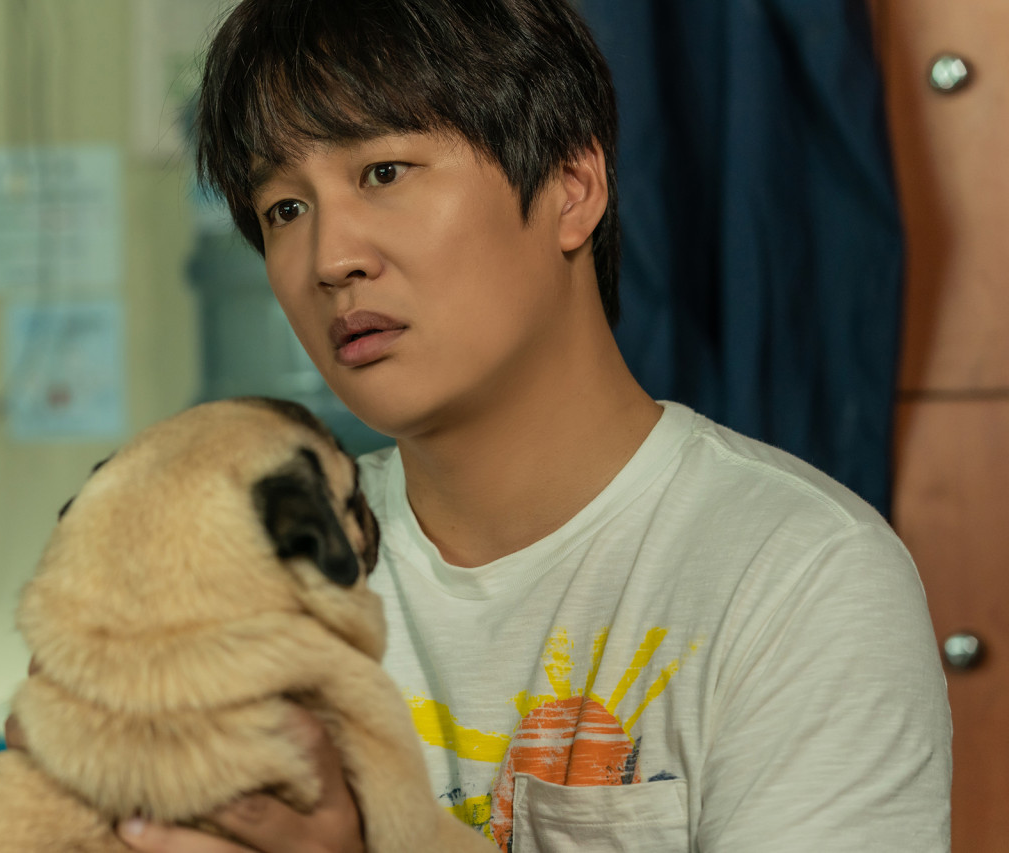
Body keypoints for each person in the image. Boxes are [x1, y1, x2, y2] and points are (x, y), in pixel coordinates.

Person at [108, 0, 953, 850]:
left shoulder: (798, 572)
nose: (331, 259)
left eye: (383, 173)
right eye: (285, 209)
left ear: (571, 188)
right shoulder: (254, 570)